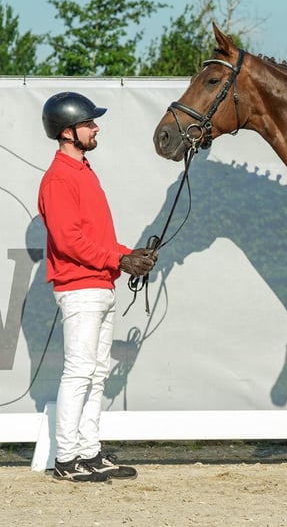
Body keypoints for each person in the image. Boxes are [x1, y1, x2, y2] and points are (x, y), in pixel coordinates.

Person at [38, 92, 157, 483]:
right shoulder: (58, 179)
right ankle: (66, 459)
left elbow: (97, 238)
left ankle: (88, 452)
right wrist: (118, 260)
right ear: (68, 132)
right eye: (89, 123)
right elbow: (69, 241)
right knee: (79, 372)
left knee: (96, 373)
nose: (96, 128)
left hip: (100, 284)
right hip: (79, 287)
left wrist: (128, 253)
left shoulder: (85, 172)